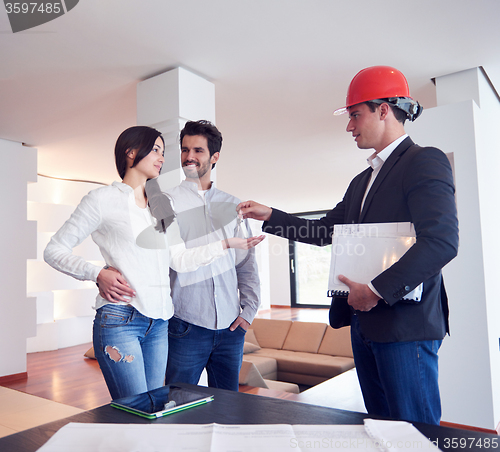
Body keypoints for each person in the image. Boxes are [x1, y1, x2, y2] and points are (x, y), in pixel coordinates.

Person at [238, 66, 459, 425]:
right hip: (364, 328)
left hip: (405, 328)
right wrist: (270, 215)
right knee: (382, 429)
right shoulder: (361, 182)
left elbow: (442, 242)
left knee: (415, 435)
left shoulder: (423, 161)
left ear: (384, 110)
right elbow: (325, 232)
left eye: (356, 114)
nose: (349, 126)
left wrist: (375, 291)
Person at [44, 125, 264, 400]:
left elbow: (180, 260)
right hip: (121, 318)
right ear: (131, 152)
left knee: (158, 410)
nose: (163, 157)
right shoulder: (101, 199)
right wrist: (97, 273)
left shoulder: (160, 205)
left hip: (159, 322)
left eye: (163, 151)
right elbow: (54, 250)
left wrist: (227, 244)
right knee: (136, 410)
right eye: (156, 150)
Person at [146, 120, 261, 392]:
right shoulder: (167, 202)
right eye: (185, 150)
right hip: (186, 326)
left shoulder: (234, 205)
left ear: (215, 157)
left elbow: (246, 264)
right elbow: (165, 262)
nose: (189, 157)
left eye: (198, 150)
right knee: (178, 405)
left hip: (232, 328)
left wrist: (249, 311)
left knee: (228, 407)